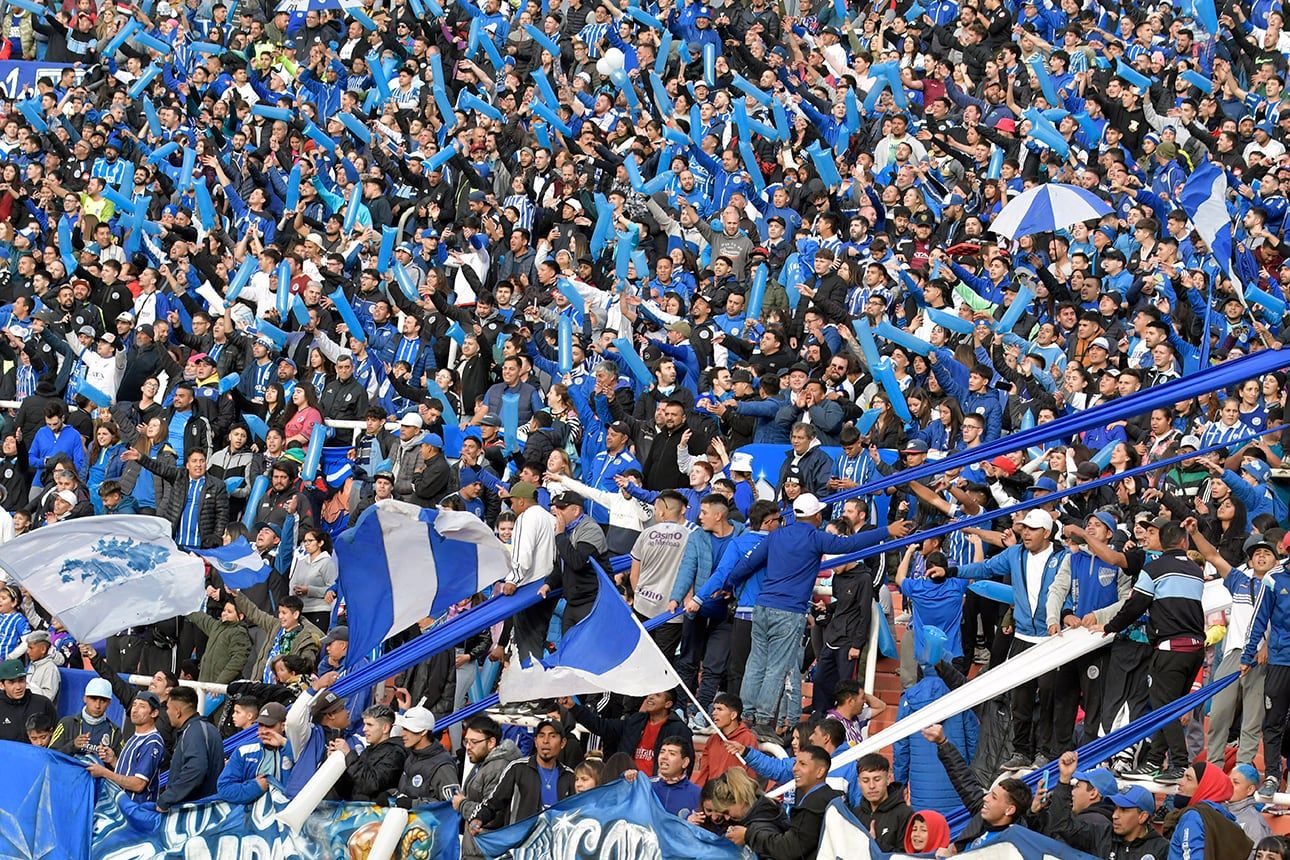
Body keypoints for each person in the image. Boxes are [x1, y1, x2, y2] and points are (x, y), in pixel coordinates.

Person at [722, 493, 911, 731]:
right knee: (776, 667)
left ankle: (746, 714)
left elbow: (747, 565)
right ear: (816, 515)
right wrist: (887, 530)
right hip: (788, 612)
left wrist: (728, 585)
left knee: (756, 663)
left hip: (762, 607)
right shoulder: (815, 537)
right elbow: (850, 545)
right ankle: (762, 721)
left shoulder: (776, 535)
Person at [921, 723, 1032, 852]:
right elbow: (964, 780)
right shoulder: (982, 817)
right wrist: (943, 743)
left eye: (994, 797)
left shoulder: (1008, 847)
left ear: (1009, 810)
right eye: (990, 794)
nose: (986, 798)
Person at [725, 745, 842, 860]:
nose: (795, 768)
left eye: (803, 764)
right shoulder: (830, 796)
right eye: (795, 763)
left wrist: (748, 835)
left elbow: (789, 849)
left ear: (820, 771)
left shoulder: (813, 805)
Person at [470, 719, 576, 833]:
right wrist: (478, 818)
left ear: (563, 743)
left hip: (552, 846)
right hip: (520, 846)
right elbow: (494, 802)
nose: (546, 741)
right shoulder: (518, 768)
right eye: (541, 736)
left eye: (552, 736)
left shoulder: (569, 777)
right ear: (535, 741)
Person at [561, 689, 691, 778]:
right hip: (626, 786)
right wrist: (574, 708)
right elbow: (602, 726)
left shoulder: (679, 730)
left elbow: (687, 765)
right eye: (650, 694)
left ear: (668, 704)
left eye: (657, 695)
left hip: (656, 791)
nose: (650, 697)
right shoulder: (636, 721)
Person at [453, 716, 522, 860]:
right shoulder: (484, 763)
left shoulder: (497, 768)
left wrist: (462, 805)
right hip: (476, 851)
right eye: (466, 741)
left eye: (474, 742)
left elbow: (493, 817)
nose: (468, 747)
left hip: (485, 853)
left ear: (491, 742)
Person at [1162, 761, 1254, 860]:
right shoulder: (1227, 821)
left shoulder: (1193, 817)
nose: (1180, 782)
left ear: (1205, 787)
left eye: (1189, 779)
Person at [86, 691, 166, 803]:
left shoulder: (152, 742)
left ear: (154, 713)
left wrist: (104, 772)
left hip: (136, 811)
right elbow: (129, 771)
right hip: (122, 808)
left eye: (142, 706)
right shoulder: (134, 737)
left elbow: (138, 784)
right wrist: (113, 760)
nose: (135, 710)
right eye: (134, 705)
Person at [157, 686, 224, 811]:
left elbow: (196, 769)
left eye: (168, 708)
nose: (166, 712)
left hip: (194, 812)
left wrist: (167, 799)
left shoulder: (193, 732)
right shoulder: (208, 728)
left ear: (177, 711)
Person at [1041, 751, 1115, 857]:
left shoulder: (1095, 822)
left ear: (1093, 793)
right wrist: (1035, 812)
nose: (1072, 792)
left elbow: (1060, 826)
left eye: (1077, 786)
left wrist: (1064, 780)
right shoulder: (1093, 820)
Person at [217, 702, 292, 803]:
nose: (264, 731)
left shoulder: (295, 749)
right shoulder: (244, 750)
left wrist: (284, 744)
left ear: (283, 726)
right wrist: (256, 787)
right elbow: (224, 788)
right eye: (261, 725)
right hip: (252, 813)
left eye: (270, 725)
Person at [335, 705, 406, 803]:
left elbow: (372, 784)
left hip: (376, 815)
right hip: (358, 811)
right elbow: (350, 789)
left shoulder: (395, 753)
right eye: (364, 724)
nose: (364, 729)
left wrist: (349, 755)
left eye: (369, 725)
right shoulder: (368, 751)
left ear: (385, 728)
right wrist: (338, 762)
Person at [391, 706, 459, 805]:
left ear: (424, 731)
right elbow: (406, 793)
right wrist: (392, 793)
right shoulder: (412, 756)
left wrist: (414, 804)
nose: (402, 734)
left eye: (408, 729)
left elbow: (451, 805)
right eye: (403, 729)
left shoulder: (442, 766)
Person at [692, 692, 758, 786]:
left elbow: (749, 774)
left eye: (720, 709)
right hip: (711, 795)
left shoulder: (747, 738)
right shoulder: (712, 739)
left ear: (733, 715)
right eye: (714, 709)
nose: (714, 713)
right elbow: (704, 772)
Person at [51, 677, 123, 756]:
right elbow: (50, 755)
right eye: (94, 699)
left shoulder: (115, 732)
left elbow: (123, 765)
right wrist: (73, 745)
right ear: (85, 699)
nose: (97, 705)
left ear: (109, 703)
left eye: (103, 701)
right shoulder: (66, 723)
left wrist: (111, 759)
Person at [1103, 785, 1170, 860]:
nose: (1114, 815)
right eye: (1115, 808)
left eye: (1123, 810)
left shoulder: (1161, 849)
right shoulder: (1103, 837)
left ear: (1142, 817)